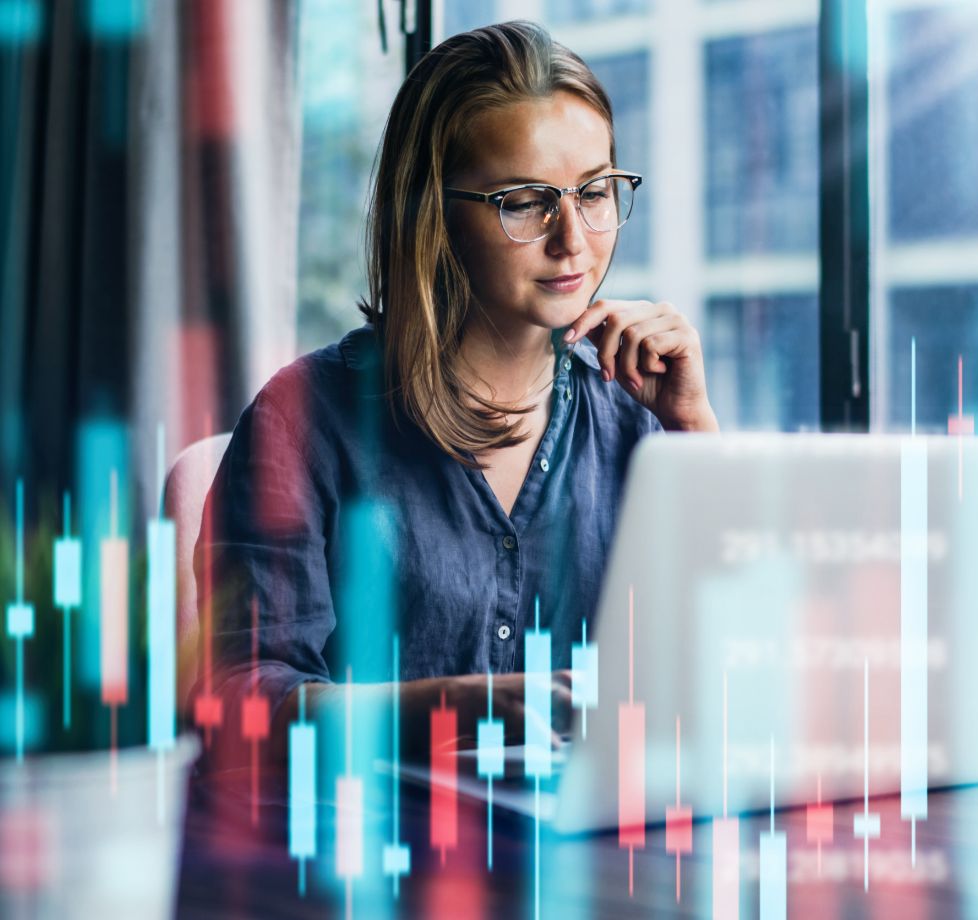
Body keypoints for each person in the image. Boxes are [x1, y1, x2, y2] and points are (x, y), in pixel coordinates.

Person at [190, 20, 717, 764]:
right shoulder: (304, 420)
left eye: (595, 191)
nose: (574, 238)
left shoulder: (639, 415)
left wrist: (695, 429)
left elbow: (740, 668)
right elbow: (236, 699)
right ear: (432, 211)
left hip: (589, 855)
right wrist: (447, 710)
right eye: (526, 202)